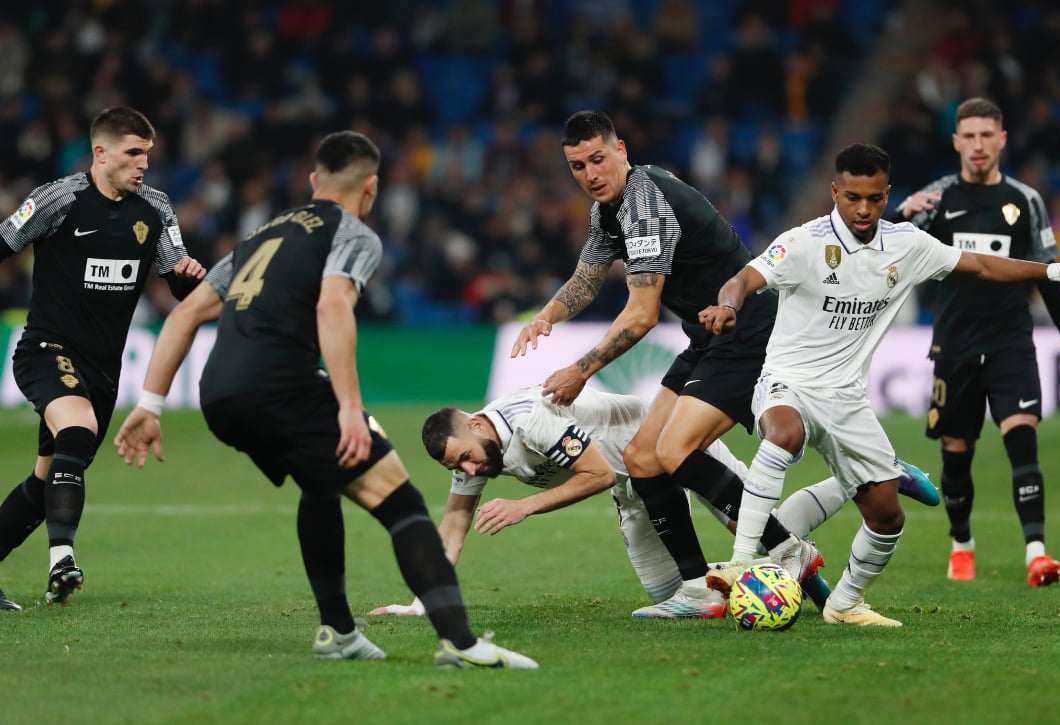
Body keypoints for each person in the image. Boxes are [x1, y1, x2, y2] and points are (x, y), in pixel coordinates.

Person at [112, 131, 536, 667]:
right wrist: (348, 408)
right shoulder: (354, 234)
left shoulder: (260, 235)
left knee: (321, 483)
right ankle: (461, 642)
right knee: (401, 501)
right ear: (372, 188)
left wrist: (149, 404)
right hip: (282, 385)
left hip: (219, 395)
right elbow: (333, 308)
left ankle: (338, 631)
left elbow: (183, 314)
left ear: (314, 182)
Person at [702, 143, 1060, 626]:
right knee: (783, 434)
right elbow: (744, 279)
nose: (864, 209)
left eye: (874, 198)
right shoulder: (804, 242)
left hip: (847, 400)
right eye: (853, 197)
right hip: (790, 382)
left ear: (888, 193)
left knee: (889, 518)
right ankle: (744, 561)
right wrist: (728, 306)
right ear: (834, 192)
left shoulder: (906, 244)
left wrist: (1056, 270)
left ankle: (845, 603)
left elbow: (979, 264)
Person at [511, 110, 820, 619]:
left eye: (597, 159)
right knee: (642, 457)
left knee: (674, 450)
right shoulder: (607, 210)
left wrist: (580, 371)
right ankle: (698, 590)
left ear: (621, 151)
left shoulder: (645, 202)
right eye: (577, 166)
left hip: (748, 331)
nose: (590, 174)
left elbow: (640, 316)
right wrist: (547, 315)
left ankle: (788, 550)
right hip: (707, 337)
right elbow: (588, 278)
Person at [368, 384, 940, 616]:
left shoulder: (530, 421)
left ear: (474, 423)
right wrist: (423, 604)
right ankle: (789, 563)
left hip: (665, 442)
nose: (471, 470)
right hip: (632, 485)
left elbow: (592, 474)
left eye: (467, 456)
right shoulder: (478, 452)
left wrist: (524, 507)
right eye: (457, 467)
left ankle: (877, 475)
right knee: (670, 595)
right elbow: (452, 525)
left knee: (756, 524)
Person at [0, 107, 207, 611]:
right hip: (46, 350)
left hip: (102, 367)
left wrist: (187, 275)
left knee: (48, 478)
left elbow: (177, 283)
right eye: (134, 153)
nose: (143, 165)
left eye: (148, 156)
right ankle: (62, 560)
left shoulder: (155, 209)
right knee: (78, 429)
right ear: (101, 153)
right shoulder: (58, 199)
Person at [893, 97, 1060, 587]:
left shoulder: (1025, 200)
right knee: (956, 454)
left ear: (1001, 139)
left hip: (1011, 343)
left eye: (987, 135)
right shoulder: (934, 199)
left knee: (1023, 439)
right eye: (969, 136)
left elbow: (1047, 273)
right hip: (954, 346)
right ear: (956, 142)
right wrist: (901, 212)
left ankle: (1036, 554)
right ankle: (962, 545)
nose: (978, 145)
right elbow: (885, 253)